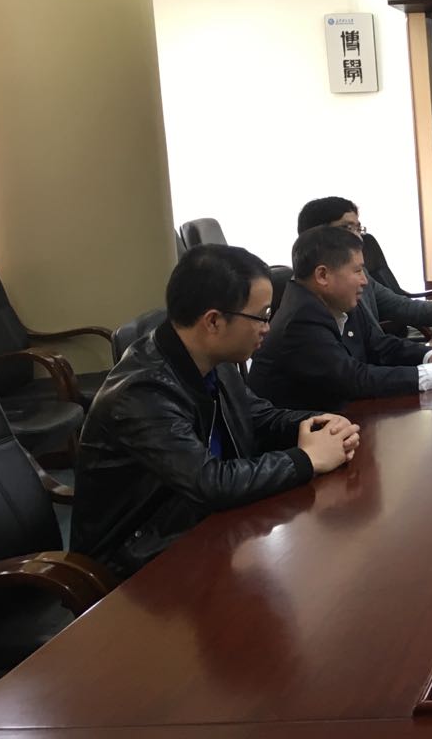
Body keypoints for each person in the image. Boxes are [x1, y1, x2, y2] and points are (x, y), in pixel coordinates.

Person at [72, 245, 360, 576]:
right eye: (262, 315)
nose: (267, 327)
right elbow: (209, 483)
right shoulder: (142, 392)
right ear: (213, 321)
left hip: (196, 523)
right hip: (135, 559)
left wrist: (320, 424)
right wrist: (307, 459)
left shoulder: (212, 357)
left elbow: (258, 416)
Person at [250, 226, 432, 411]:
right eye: (357, 271)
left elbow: (380, 345)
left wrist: (430, 355)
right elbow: (353, 380)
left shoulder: (338, 299)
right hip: (300, 437)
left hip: (345, 418)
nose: (365, 281)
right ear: (323, 275)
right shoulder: (299, 320)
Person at [296, 197, 432, 329]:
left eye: (358, 228)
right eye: (346, 228)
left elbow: (400, 306)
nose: (358, 237)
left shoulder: (361, 276)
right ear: (315, 235)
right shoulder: (306, 307)